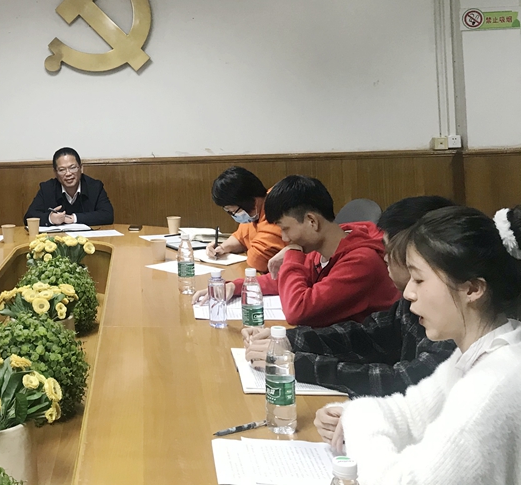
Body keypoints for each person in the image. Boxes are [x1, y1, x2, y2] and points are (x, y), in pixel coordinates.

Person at [315, 205, 521, 484]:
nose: (409, 293)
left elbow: (401, 481)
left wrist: (357, 422)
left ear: (472, 289)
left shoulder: (493, 384)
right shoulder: (478, 353)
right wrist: (351, 414)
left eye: (419, 279)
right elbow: (408, 415)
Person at [241, 196, 457, 396]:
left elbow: (403, 380)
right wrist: (288, 340)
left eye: (389, 251)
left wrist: (296, 364)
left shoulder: (452, 321)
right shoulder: (413, 301)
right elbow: (368, 335)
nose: (384, 258)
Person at [195, 175, 399, 327]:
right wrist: (237, 286)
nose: (284, 238)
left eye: (285, 229)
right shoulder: (323, 246)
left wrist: (292, 252)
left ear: (311, 221)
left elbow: (298, 311)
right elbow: (282, 281)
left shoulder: (361, 261)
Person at [207, 166, 285, 272]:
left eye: (234, 211)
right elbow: (241, 237)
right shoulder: (256, 212)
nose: (233, 215)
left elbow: (257, 260)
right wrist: (223, 247)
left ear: (253, 201)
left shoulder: (276, 209)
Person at [24, 148, 114, 227]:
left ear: (81, 168)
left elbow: (108, 215)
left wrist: (74, 218)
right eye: (62, 170)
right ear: (55, 173)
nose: (68, 174)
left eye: (72, 168)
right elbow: (29, 217)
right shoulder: (47, 189)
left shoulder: (94, 187)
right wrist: (50, 219)